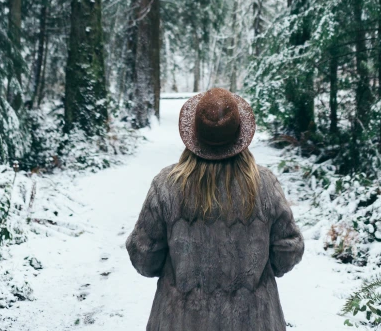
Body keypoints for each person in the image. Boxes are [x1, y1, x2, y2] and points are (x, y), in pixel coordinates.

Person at [126, 87, 304, 331]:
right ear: (240, 135)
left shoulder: (166, 186)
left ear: (194, 137)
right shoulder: (264, 185)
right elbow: (287, 250)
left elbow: (144, 257)